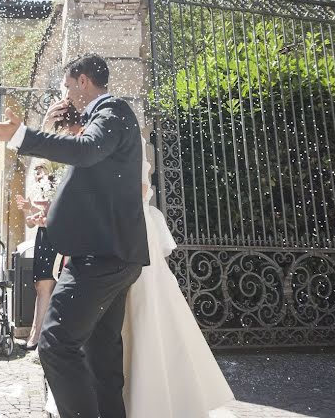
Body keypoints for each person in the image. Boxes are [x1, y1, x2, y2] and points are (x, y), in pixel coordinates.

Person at [0, 53, 150, 418]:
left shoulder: (113, 110)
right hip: (108, 254)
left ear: (83, 81)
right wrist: (51, 214)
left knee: (55, 345)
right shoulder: (98, 122)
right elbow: (90, 183)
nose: (66, 94)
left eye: (68, 85)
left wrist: (21, 135)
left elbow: (85, 152)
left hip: (100, 257)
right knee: (101, 358)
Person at [45, 142, 234, 417]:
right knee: (99, 336)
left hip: (125, 245)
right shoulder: (89, 146)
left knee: (136, 325)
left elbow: (139, 190)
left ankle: (145, 401)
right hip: (107, 245)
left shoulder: (122, 141)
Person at [14, 160, 57, 353]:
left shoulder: (57, 187)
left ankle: (42, 335)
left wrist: (44, 216)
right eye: (36, 172)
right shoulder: (36, 192)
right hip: (43, 237)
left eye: (41, 171)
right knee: (40, 285)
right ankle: (36, 333)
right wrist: (26, 209)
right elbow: (30, 224)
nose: (38, 175)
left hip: (58, 237)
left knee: (51, 285)